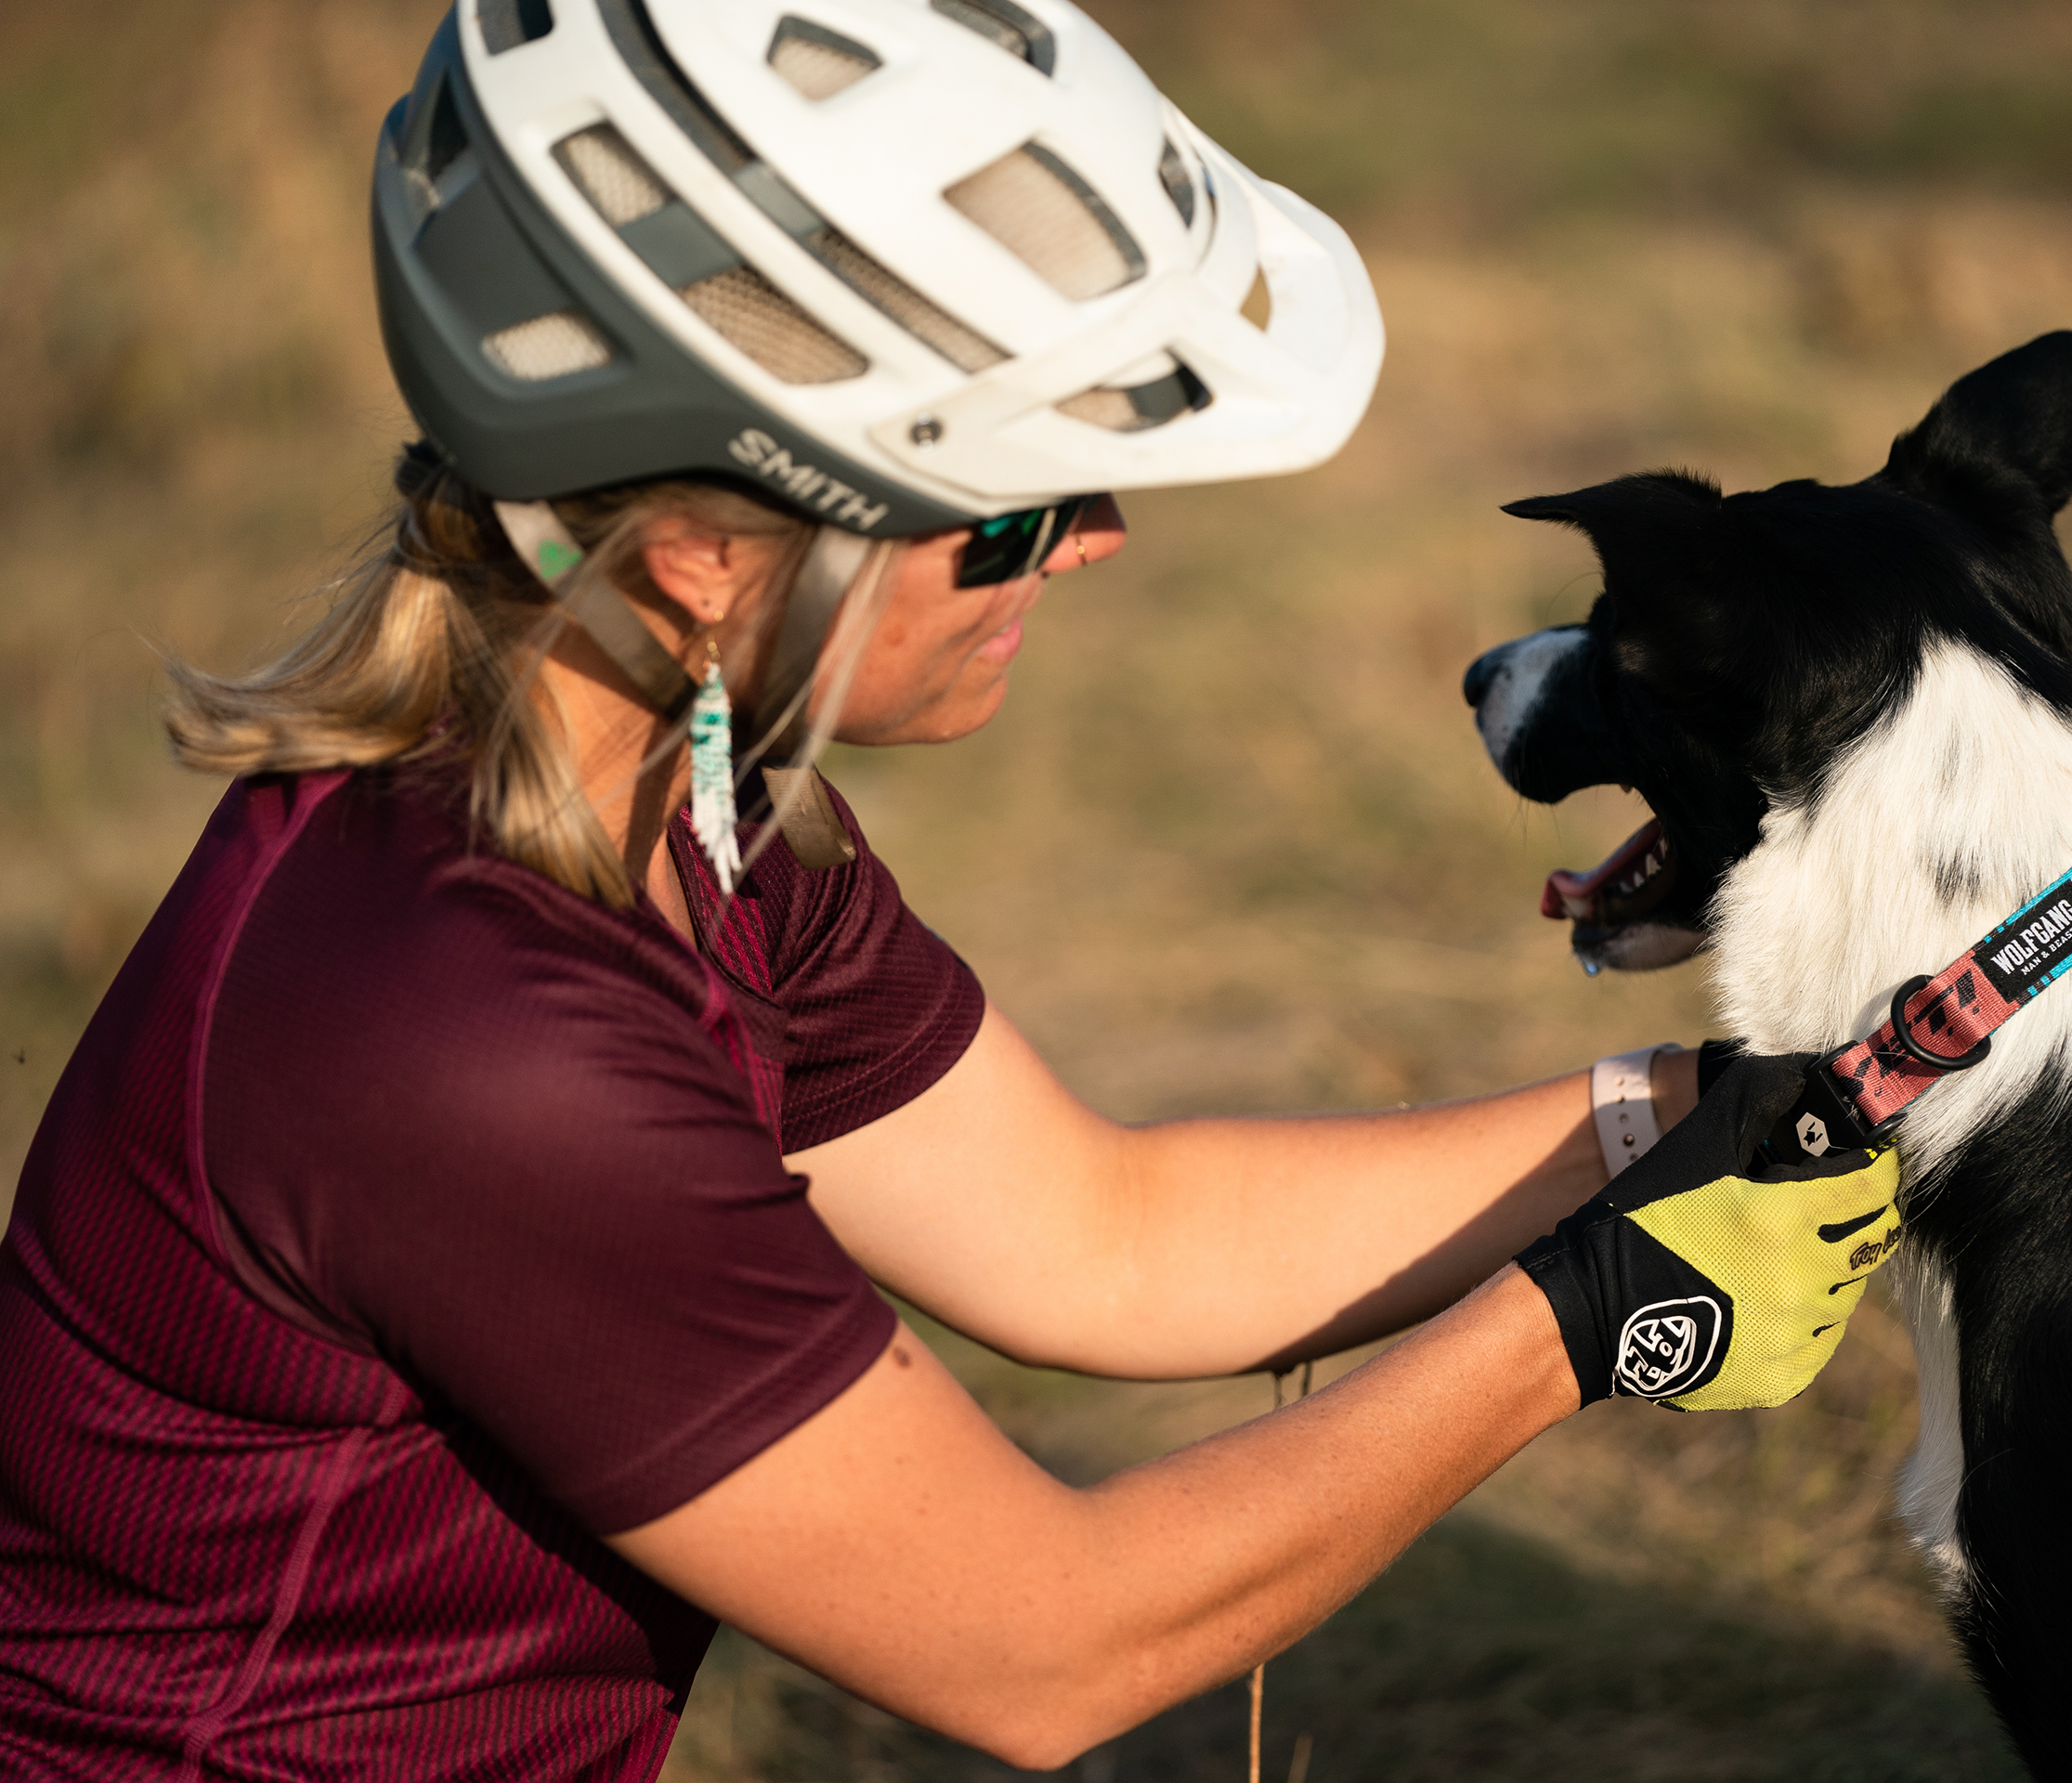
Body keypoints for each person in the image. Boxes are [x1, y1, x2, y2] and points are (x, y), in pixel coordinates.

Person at [0, 3, 1904, 1776]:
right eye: (1006, 505)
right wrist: (1593, 1316)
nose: (1095, 541)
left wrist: (1669, 1118)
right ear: (697, 555)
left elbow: (1108, 1235)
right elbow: (1046, 1646)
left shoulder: (693, 826)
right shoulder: (468, 1042)